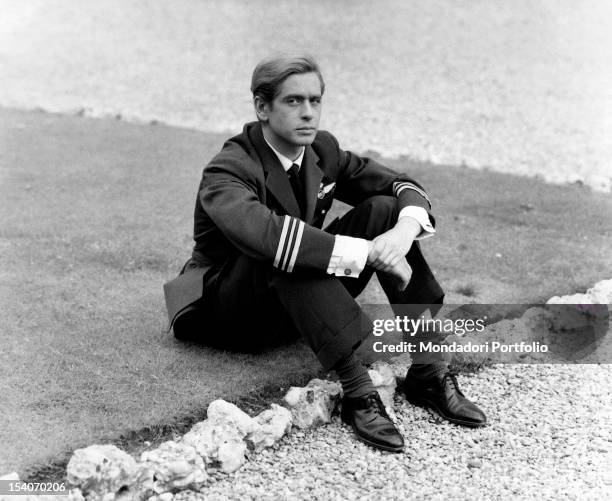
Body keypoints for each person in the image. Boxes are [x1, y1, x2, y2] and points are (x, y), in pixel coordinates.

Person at [164, 54, 486, 453]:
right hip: (226, 312)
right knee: (288, 247)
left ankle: (429, 370)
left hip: (291, 302)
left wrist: (401, 234)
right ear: (262, 107)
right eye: (293, 101)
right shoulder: (229, 169)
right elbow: (271, 239)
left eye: (315, 101)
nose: (308, 113)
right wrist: (370, 252)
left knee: (384, 210)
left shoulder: (322, 149)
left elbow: (398, 184)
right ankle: (357, 391)